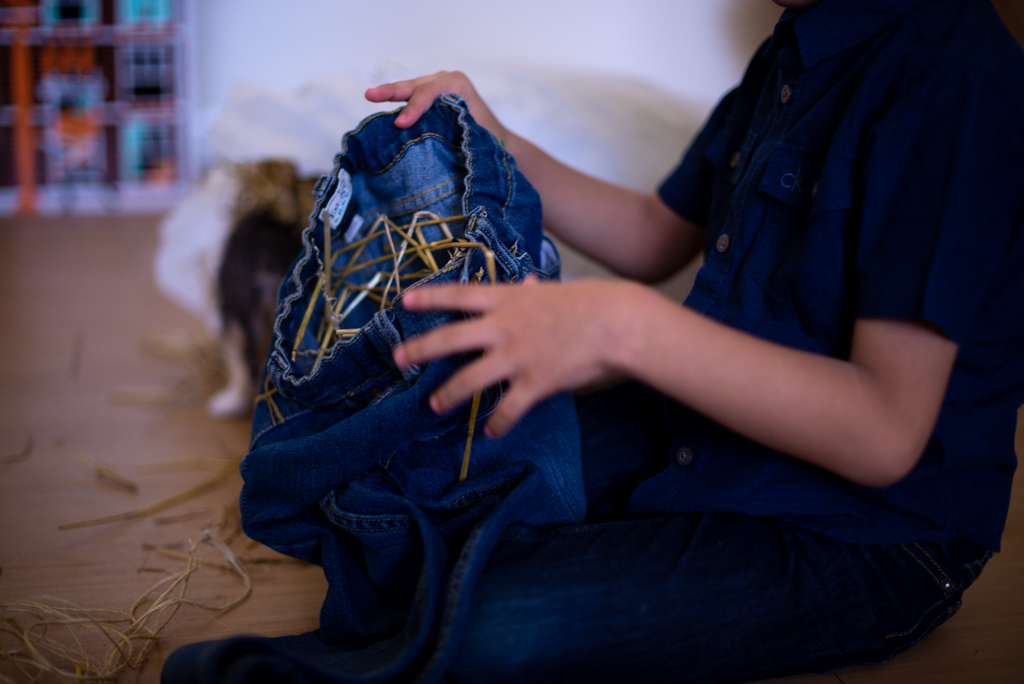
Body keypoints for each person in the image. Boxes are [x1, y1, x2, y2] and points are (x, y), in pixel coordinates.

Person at [358, 0, 1024, 681]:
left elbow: (884, 431)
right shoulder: (797, 46)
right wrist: (496, 142)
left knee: (485, 627)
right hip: (709, 423)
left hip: (866, 529)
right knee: (421, 491)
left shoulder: (954, 80)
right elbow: (652, 234)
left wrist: (624, 327)